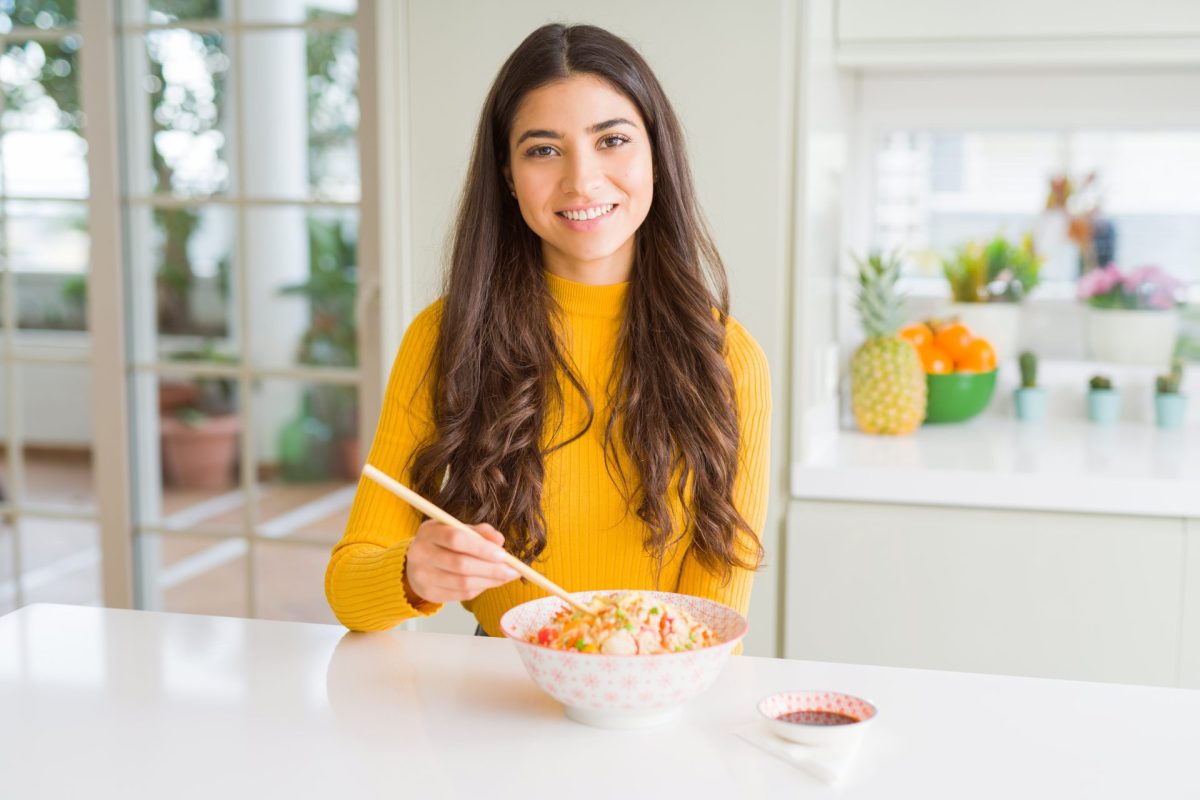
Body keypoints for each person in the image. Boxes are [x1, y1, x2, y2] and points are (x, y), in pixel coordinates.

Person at [325, 22, 770, 640]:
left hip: (658, 688)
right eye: (543, 149)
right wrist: (414, 574)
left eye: (611, 140)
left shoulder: (727, 357)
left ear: (655, 154)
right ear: (508, 175)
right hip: (495, 695)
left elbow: (716, 625)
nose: (581, 180)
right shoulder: (445, 337)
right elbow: (349, 594)